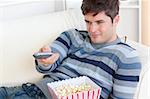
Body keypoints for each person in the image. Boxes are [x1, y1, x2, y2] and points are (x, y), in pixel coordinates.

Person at [0, 0, 141, 99]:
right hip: (27, 90)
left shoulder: (127, 57)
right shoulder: (72, 36)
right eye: (88, 22)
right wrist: (46, 61)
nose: (92, 29)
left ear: (116, 20)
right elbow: (47, 65)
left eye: (99, 22)